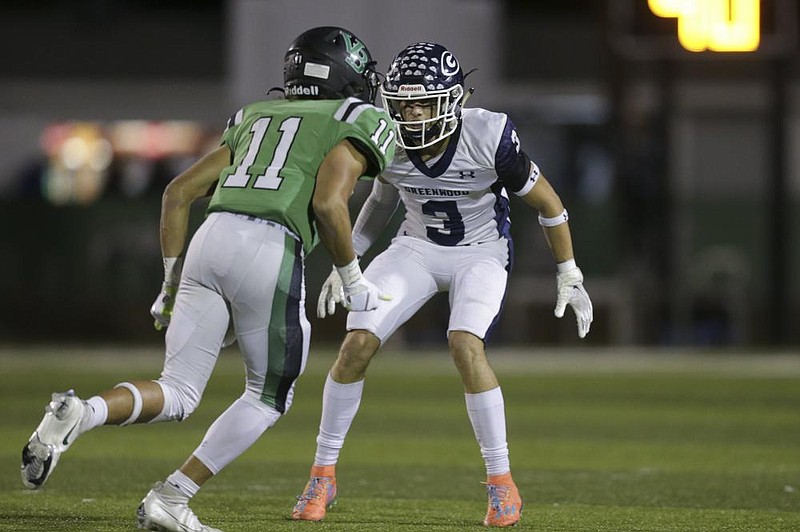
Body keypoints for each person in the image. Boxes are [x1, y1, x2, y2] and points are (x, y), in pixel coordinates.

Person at [20, 26, 395, 532]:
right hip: (269, 246)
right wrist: (352, 277)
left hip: (209, 238)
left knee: (176, 390)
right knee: (268, 396)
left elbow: (177, 192)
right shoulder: (356, 117)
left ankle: (81, 411)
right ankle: (172, 497)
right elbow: (329, 202)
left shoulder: (255, 115)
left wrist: (170, 283)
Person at [290, 41, 593, 528]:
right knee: (355, 345)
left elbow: (549, 204)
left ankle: (501, 483)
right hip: (416, 248)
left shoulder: (488, 134)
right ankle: (323, 473)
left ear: (453, 101)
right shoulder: (385, 137)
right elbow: (382, 200)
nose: (410, 114)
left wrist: (569, 271)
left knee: (464, 344)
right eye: (403, 102)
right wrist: (351, 261)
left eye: (423, 102)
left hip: (481, 252)